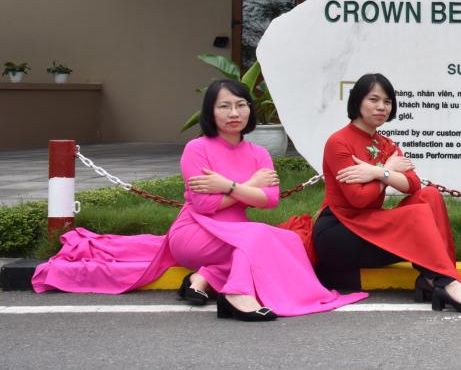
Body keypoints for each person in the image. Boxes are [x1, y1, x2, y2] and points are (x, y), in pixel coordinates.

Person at [32, 79, 365, 320]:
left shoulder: (259, 152)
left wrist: (226, 185)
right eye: (224, 106)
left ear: (250, 109)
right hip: (195, 232)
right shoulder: (197, 149)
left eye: (241, 104)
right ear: (211, 112)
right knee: (263, 238)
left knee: (283, 240)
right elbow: (205, 206)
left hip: (236, 233)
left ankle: (202, 278)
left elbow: (271, 200)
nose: (234, 113)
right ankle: (237, 296)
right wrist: (247, 185)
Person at [313, 72, 461, 313]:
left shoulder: (386, 144)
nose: (381, 107)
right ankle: (442, 280)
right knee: (414, 216)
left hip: (369, 225)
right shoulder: (339, 142)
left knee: (429, 196)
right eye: (373, 100)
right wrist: (387, 170)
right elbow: (359, 199)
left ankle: (438, 275)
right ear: (357, 102)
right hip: (339, 232)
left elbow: (413, 184)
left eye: (387, 102)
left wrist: (377, 173)